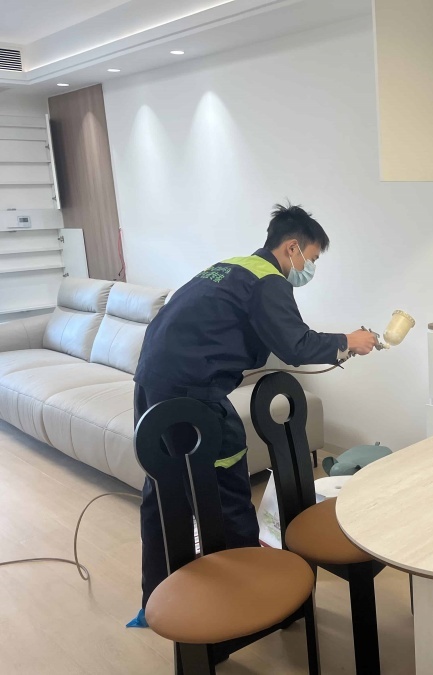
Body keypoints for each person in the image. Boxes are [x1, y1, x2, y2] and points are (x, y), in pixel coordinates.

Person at [132, 202, 377, 613]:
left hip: (151, 380)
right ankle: (248, 601)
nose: (310, 268)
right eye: (312, 258)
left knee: (163, 488)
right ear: (292, 248)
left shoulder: (231, 267)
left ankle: (156, 598)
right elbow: (295, 344)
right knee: (225, 488)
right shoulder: (269, 280)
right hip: (192, 395)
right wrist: (348, 341)